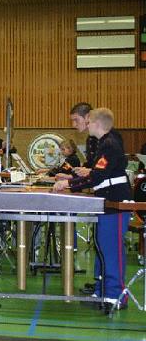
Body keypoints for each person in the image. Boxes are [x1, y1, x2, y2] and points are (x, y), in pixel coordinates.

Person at [53, 108, 131, 311]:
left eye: (88, 123)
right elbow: (96, 173)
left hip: (117, 202)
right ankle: (103, 289)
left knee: (112, 250)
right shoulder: (105, 143)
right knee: (103, 248)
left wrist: (69, 184)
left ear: (96, 123)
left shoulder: (109, 144)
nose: (86, 126)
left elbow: (97, 176)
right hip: (106, 201)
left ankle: (117, 295)